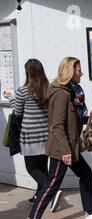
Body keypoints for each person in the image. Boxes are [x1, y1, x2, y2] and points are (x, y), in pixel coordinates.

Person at [26, 57, 92, 219]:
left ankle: (90, 211)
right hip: (63, 147)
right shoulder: (61, 94)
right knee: (52, 183)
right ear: (70, 71)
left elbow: (72, 119)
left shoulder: (68, 91)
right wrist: (66, 151)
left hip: (70, 145)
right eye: (79, 70)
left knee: (85, 173)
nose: (81, 73)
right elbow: (57, 125)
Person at [4, 59, 62, 211]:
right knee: (42, 168)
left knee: (32, 168)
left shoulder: (23, 91)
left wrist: (10, 97)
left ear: (27, 73)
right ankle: (39, 196)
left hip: (30, 136)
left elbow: (18, 112)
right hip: (46, 136)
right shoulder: (48, 89)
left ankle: (53, 192)